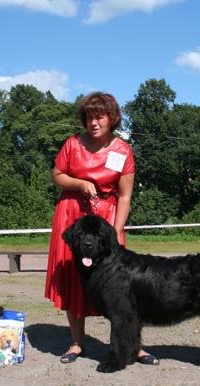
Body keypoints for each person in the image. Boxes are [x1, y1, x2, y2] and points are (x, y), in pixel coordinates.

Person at [45, 92, 158, 365]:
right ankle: (76, 343)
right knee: (74, 281)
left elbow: (124, 196)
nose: (93, 123)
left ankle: (133, 346)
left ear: (111, 118)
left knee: (122, 287)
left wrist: (117, 231)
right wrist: (79, 184)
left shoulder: (122, 150)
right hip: (72, 214)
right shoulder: (72, 145)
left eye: (99, 117)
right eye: (88, 118)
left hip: (106, 221)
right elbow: (57, 175)